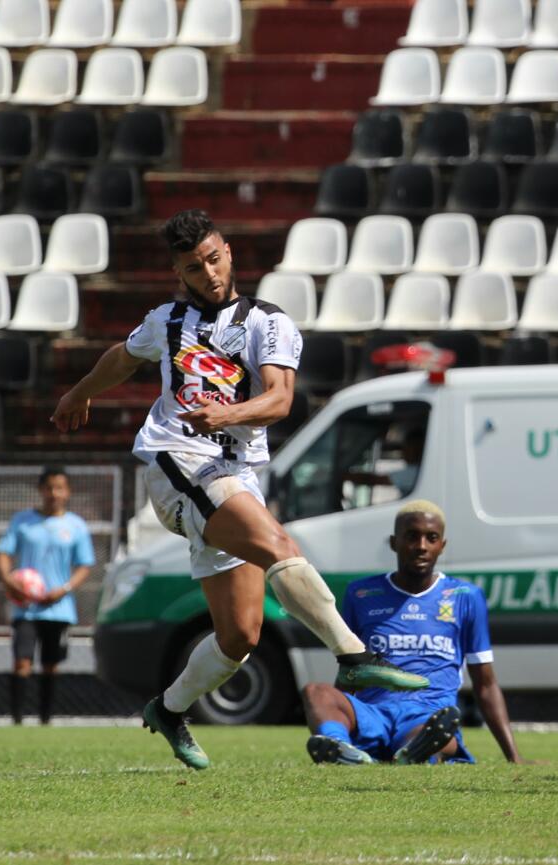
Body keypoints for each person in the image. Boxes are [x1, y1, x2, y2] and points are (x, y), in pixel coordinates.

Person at [49, 209, 427, 770]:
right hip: (177, 460)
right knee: (279, 545)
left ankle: (169, 710)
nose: (208, 273)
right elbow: (123, 357)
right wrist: (80, 392)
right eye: (193, 267)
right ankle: (352, 654)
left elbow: (279, 401)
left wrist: (228, 414)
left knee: (240, 636)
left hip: (232, 472)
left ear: (229, 251)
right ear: (179, 274)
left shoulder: (267, 323)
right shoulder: (166, 320)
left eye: (213, 258)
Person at [302, 500, 521, 765]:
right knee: (316, 692)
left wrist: (513, 757)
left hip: (426, 715)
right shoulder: (360, 594)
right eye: (412, 536)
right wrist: (338, 709)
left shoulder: (465, 597)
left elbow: (485, 684)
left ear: (442, 545)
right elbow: (350, 670)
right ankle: (339, 747)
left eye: (431, 538)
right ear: (394, 543)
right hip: (373, 712)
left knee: (438, 734)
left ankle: (412, 754)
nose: (421, 546)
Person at [0, 467, 95, 725]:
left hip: (59, 607)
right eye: (49, 488)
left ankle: (45, 721)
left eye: (59, 488)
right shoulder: (22, 521)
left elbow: (85, 565)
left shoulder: (76, 526)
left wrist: (64, 589)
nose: (54, 493)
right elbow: (3, 552)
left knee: (50, 665)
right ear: (41, 490)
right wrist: (9, 580)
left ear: (68, 491)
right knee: (22, 663)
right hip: (26, 607)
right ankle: (17, 721)